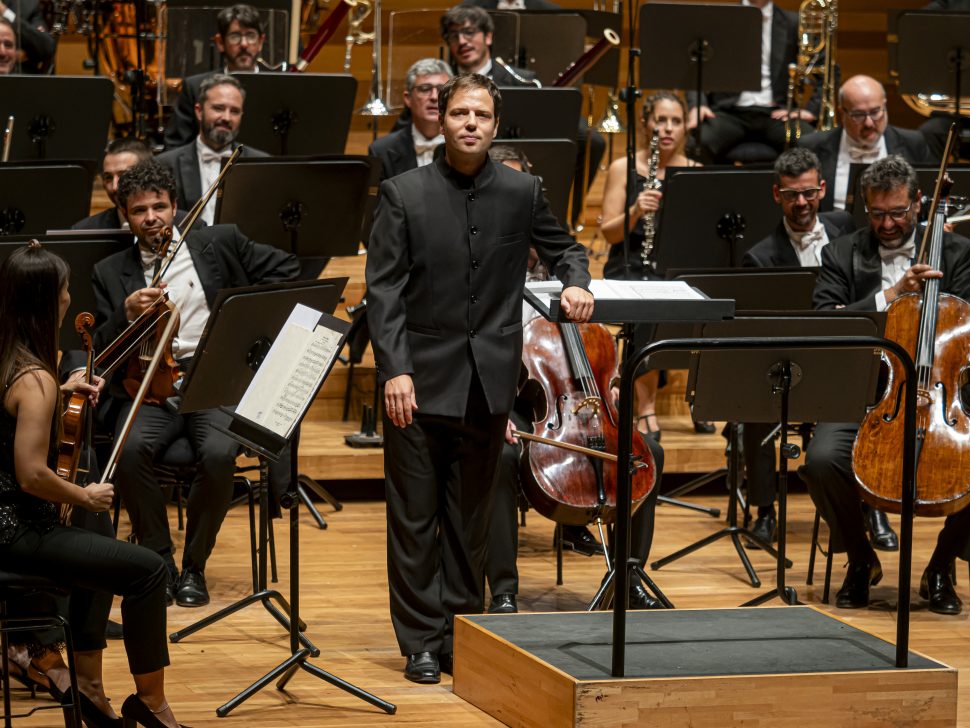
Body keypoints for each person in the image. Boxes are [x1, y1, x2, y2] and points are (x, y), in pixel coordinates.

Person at [366, 73, 593, 684]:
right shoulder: (402, 193)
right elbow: (382, 291)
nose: (470, 123)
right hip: (416, 383)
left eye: (482, 115)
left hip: (488, 384)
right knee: (415, 520)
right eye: (460, 112)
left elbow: (567, 247)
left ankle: (460, 631)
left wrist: (576, 281)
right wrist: (396, 370)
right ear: (441, 119)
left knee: (469, 521)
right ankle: (419, 642)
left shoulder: (523, 191)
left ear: (496, 126)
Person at [90, 160, 299, 609]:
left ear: (176, 206)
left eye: (159, 207)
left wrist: (248, 326)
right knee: (127, 453)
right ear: (125, 215)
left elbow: (287, 271)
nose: (151, 218)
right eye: (139, 210)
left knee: (221, 453)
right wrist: (125, 316)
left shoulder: (217, 242)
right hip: (148, 388)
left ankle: (194, 567)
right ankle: (160, 560)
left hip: (214, 380)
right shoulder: (110, 272)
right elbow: (99, 351)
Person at [0, 242, 184, 728]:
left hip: (6, 522)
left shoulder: (11, 360)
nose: (68, 296)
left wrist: (59, 392)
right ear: (50, 301)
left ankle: (89, 686)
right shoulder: (35, 378)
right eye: (64, 289)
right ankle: (152, 704)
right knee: (147, 570)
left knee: (98, 535)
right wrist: (85, 494)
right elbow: (31, 475)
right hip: (16, 532)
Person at [801, 155, 970, 615]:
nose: (888, 223)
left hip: (942, 392)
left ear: (919, 202)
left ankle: (940, 566)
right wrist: (893, 297)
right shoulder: (841, 253)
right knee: (820, 461)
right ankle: (859, 559)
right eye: (878, 214)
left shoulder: (957, 254)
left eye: (898, 212)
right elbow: (824, 321)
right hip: (867, 392)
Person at [740, 147, 858, 548]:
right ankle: (764, 511)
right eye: (792, 195)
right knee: (752, 406)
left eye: (809, 192)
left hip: (842, 358)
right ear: (777, 195)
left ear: (823, 188)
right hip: (788, 361)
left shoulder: (849, 231)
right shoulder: (759, 257)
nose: (802, 202)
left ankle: (871, 514)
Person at [599, 91, 708, 440]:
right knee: (646, 302)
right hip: (629, 265)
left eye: (676, 121)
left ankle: (700, 397)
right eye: (660, 120)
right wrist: (635, 211)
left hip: (675, 268)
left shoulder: (695, 173)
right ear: (646, 123)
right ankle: (645, 408)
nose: (668, 128)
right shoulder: (624, 167)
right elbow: (609, 234)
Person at [439, 6, 605, 225]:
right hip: (460, 170)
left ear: (488, 36)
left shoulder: (523, 81)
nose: (462, 41)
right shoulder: (440, 83)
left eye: (469, 32)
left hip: (515, 168)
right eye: (454, 35)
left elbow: (582, 136)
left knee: (593, 140)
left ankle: (565, 220)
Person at [686, 0, 815, 162]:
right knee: (695, 144)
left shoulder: (793, 23)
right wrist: (698, 104)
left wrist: (811, 109)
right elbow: (696, 64)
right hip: (729, 112)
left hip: (777, 113)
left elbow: (821, 66)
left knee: (813, 142)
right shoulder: (722, 19)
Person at [798, 75, 933, 212]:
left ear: (885, 106)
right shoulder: (811, 147)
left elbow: (927, 200)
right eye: (858, 115)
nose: (869, 123)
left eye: (875, 112)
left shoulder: (913, 143)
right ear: (842, 113)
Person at [156, 74, 267, 225]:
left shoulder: (261, 163)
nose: (226, 117)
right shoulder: (164, 166)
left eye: (234, 111)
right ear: (199, 111)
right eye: (218, 108)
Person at [163, 3, 267, 149]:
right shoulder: (195, 87)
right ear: (220, 42)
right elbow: (176, 147)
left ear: (261, 42)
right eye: (235, 36)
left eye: (250, 35)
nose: (244, 44)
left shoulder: (278, 86)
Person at [368, 58, 452, 180]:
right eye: (425, 88)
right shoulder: (381, 151)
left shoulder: (466, 144)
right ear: (408, 98)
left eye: (441, 89)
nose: (434, 97)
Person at [73, 138, 153, 230]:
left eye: (124, 175)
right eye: (108, 177)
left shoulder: (170, 226)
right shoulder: (85, 231)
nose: (114, 187)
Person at [0, 0, 54, 73]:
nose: (2, 52)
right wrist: (17, 54)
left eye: (8, 45)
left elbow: (45, 47)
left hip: (19, 77)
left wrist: (5, 12)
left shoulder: (28, 5)